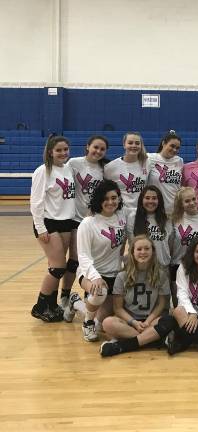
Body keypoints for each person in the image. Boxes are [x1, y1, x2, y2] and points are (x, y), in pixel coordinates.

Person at [99, 235, 173, 357]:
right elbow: (118, 308)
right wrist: (134, 322)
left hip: (151, 320)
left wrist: (148, 322)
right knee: (107, 323)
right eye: (139, 249)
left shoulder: (161, 275)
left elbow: (161, 304)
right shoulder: (122, 276)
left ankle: (129, 342)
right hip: (130, 320)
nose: (143, 252)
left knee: (170, 320)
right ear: (132, 252)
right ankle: (152, 340)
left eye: (146, 248)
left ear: (152, 251)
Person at [30, 135, 77, 322]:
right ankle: (40, 307)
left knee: (58, 265)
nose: (63, 153)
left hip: (66, 221)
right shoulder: (43, 171)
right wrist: (40, 228)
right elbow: (36, 202)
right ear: (50, 151)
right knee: (58, 267)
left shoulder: (68, 169)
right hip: (49, 222)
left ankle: (52, 305)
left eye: (66, 149)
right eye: (59, 150)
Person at [63, 135, 109, 322]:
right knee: (75, 260)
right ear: (87, 146)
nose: (98, 151)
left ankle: (85, 296)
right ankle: (65, 296)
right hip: (76, 218)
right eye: (95, 147)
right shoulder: (73, 163)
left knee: (93, 259)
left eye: (102, 149)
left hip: (95, 219)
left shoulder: (103, 169)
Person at [76, 180, 127, 342]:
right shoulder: (88, 223)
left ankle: (76, 303)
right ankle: (87, 323)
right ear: (99, 200)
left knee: (104, 320)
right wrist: (95, 276)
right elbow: (83, 255)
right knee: (99, 292)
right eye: (106, 198)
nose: (111, 202)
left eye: (114, 198)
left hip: (115, 273)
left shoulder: (122, 217)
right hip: (90, 273)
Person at [126, 185, 178, 305]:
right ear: (141, 200)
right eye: (147, 198)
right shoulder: (133, 218)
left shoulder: (167, 220)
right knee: (141, 305)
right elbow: (132, 244)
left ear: (159, 200)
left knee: (162, 307)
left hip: (162, 269)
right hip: (140, 269)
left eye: (154, 198)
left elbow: (170, 245)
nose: (151, 201)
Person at [104, 131, 148, 210]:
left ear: (141, 146)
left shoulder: (147, 163)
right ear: (124, 145)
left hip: (141, 211)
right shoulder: (110, 167)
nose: (134, 146)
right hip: (120, 212)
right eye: (130, 143)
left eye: (137, 143)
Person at [171, 187, 198, 264]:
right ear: (181, 204)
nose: (192, 203)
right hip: (179, 264)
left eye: (194, 199)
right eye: (187, 201)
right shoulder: (175, 219)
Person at [147, 130, 184, 214]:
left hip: (175, 210)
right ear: (163, 143)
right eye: (172, 146)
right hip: (155, 210)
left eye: (177, 148)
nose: (174, 150)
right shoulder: (149, 158)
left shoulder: (179, 161)